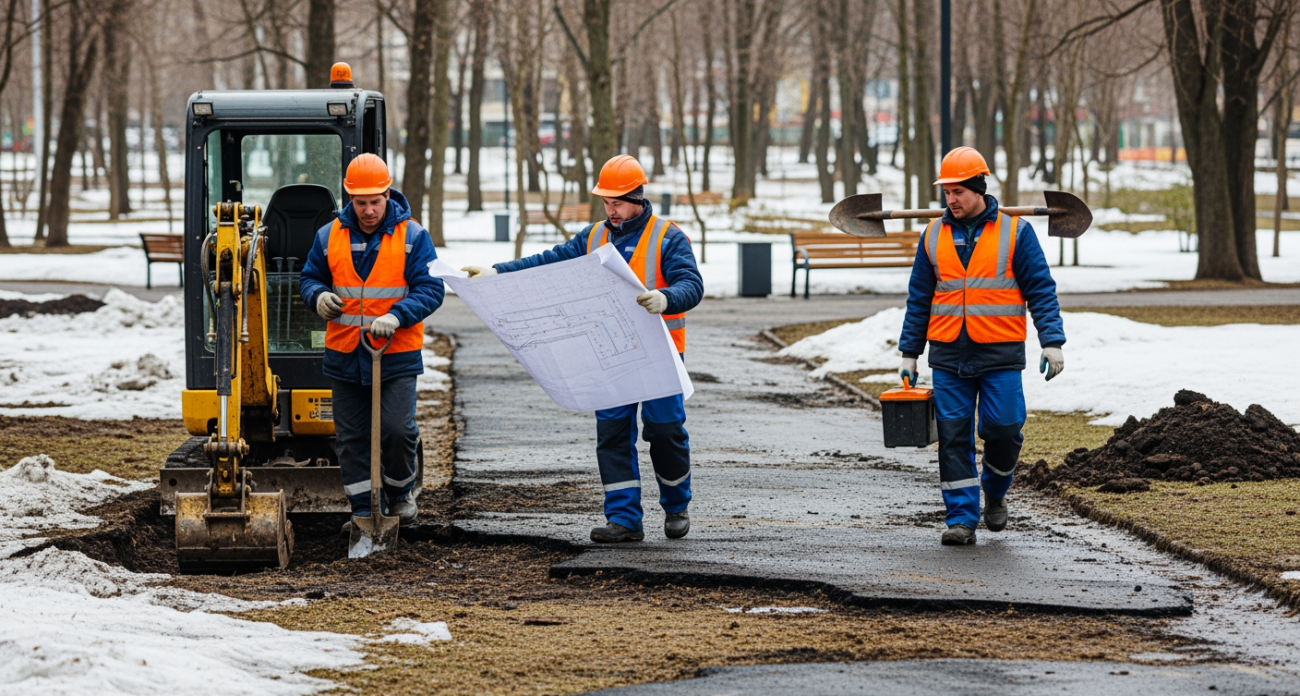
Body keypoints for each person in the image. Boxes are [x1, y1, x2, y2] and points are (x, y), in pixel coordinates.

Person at [462, 155, 704, 543]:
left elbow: (692, 285)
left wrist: (666, 297)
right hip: (609, 355)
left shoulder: (668, 237)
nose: (611, 210)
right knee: (612, 435)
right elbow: (549, 262)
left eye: (617, 202)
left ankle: (676, 505)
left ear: (638, 198)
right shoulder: (592, 238)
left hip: (660, 357)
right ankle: (624, 519)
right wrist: (498, 272)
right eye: (606, 202)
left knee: (664, 430)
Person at [898, 146, 1066, 546]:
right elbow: (919, 299)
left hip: (999, 352)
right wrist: (909, 353)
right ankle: (961, 518)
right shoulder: (932, 235)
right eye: (946, 192)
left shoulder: (1016, 233)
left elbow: (1041, 290)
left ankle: (995, 490)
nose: (951, 199)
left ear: (978, 188)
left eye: (958, 191)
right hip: (948, 353)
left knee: (1004, 429)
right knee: (954, 436)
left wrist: (1052, 341)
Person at [300, 153, 445, 526]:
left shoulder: (413, 236)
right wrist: (318, 296)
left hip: (395, 354)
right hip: (345, 354)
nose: (368, 211)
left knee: (397, 430)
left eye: (375, 202)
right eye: (360, 202)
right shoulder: (328, 235)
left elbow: (431, 288)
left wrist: (397, 316)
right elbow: (310, 277)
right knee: (352, 437)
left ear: (387, 195)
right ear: (349, 197)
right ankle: (364, 510)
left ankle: (399, 494)